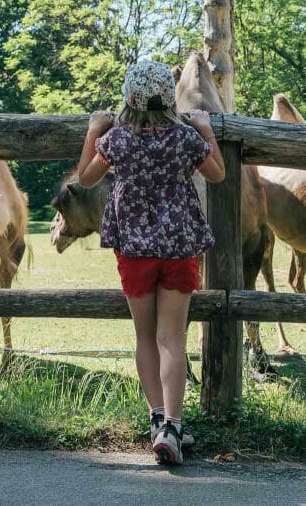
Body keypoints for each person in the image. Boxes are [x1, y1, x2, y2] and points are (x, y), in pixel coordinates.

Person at [75, 60, 225, 466]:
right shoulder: (185, 138)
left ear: (129, 99)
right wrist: (206, 130)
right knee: (171, 339)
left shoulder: (117, 140)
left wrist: (92, 131)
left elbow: (85, 178)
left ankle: (157, 420)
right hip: (179, 246)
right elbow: (217, 174)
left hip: (134, 249)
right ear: (170, 98)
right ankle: (173, 426)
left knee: (144, 336)